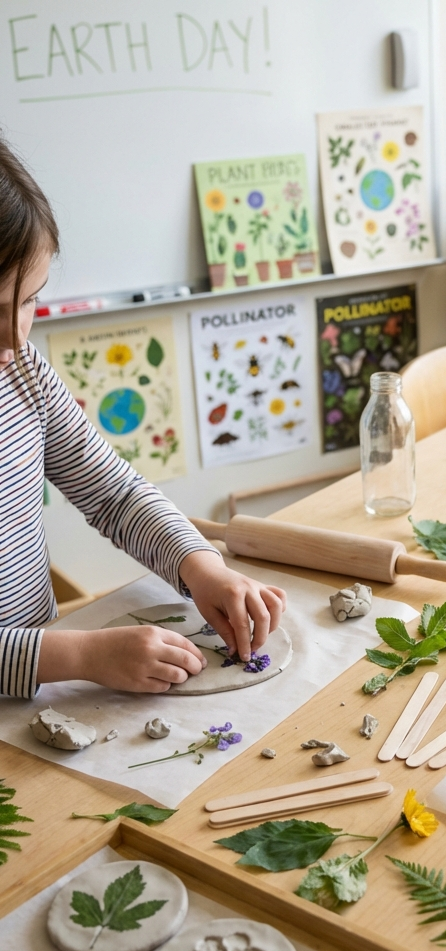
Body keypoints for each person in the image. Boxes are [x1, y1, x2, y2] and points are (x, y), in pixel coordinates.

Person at [0, 138, 285, 698]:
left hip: (31, 691)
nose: (14, 334)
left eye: (29, 301)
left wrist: (199, 565)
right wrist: (78, 653)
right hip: (48, 666)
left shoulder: (21, 370)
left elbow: (113, 494)